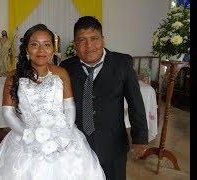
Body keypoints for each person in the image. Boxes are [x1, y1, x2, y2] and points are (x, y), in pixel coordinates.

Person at [0, 24, 106, 180]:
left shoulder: (61, 73)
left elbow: (69, 107)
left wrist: (64, 133)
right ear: (26, 49)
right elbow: (8, 112)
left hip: (63, 137)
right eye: (34, 45)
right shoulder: (14, 76)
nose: (41, 50)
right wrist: (29, 134)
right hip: (25, 137)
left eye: (47, 45)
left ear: (53, 49)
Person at [59, 16, 148, 180]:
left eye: (94, 39)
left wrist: (140, 138)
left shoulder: (122, 63)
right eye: (82, 40)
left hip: (113, 144)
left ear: (103, 40)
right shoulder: (66, 67)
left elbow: (136, 102)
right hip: (77, 144)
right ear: (75, 44)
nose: (89, 46)